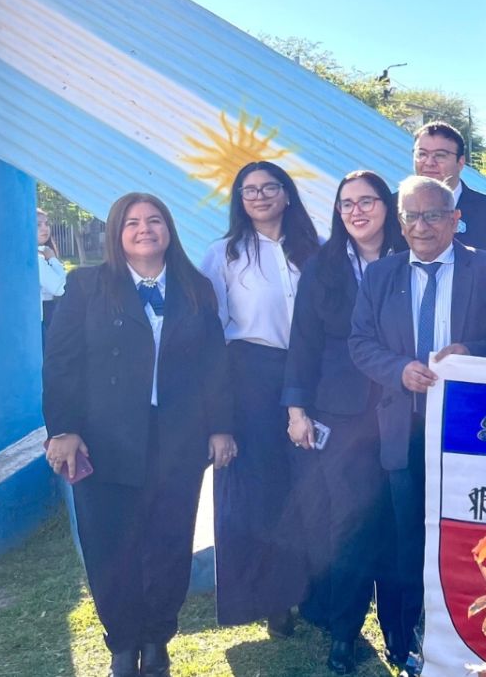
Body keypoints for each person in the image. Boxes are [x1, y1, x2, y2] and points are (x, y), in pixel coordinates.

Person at [43, 193, 235, 677]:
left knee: (169, 542)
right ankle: (123, 644)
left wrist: (220, 426)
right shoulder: (86, 285)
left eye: (154, 220)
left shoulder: (195, 287)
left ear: (169, 229)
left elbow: (214, 363)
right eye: (132, 222)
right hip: (103, 439)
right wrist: (63, 430)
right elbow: (61, 363)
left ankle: (157, 640)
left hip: (178, 439)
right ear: (116, 231)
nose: (144, 228)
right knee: (111, 546)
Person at [349, 175, 486, 674]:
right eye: (411, 216)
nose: (421, 226)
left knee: (474, 542)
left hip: (472, 437)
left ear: (455, 219)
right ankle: (407, 644)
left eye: (432, 215)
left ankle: (475, 640)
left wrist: (472, 352)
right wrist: (398, 370)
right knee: (408, 544)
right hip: (404, 431)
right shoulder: (380, 275)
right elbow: (360, 342)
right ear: (400, 222)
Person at [282, 171, 408, 674]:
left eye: (367, 201)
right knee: (350, 524)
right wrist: (296, 409)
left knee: (399, 524)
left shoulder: (413, 257)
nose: (357, 211)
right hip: (341, 416)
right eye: (346, 203)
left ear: (387, 206)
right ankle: (344, 631)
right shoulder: (323, 265)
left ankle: (401, 631)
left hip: (406, 410)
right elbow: (303, 342)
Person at [199, 161, 321, 632]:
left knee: (310, 485)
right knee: (262, 490)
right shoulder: (224, 254)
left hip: (312, 373)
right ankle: (272, 600)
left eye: (270, 187)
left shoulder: (317, 249)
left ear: (287, 194)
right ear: (239, 200)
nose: (260, 196)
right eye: (249, 190)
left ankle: (316, 592)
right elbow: (211, 333)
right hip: (251, 376)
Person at [412, 121, 486, 282]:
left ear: (461, 162)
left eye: (440, 155)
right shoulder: (392, 208)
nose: (429, 162)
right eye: (422, 154)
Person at [38, 208, 67, 337]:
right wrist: (53, 259)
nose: (44, 228)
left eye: (47, 224)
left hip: (50, 311)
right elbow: (61, 288)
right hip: (43, 315)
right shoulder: (35, 258)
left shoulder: (44, 252)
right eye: (38, 225)